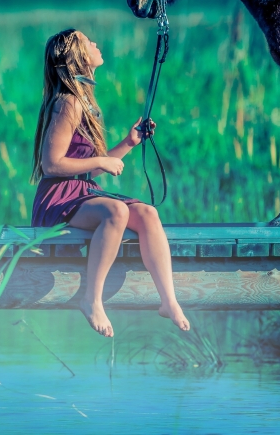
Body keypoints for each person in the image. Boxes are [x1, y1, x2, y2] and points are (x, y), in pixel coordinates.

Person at [30, 28, 190, 337]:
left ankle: (169, 301)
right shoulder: (68, 103)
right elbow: (52, 165)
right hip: (58, 198)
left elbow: (90, 170)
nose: (96, 43)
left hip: (80, 191)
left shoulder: (83, 101)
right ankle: (92, 299)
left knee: (147, 214)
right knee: (116, 212)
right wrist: (101, 160)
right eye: (90, 42)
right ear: (79, 56)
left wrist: (129, 143)